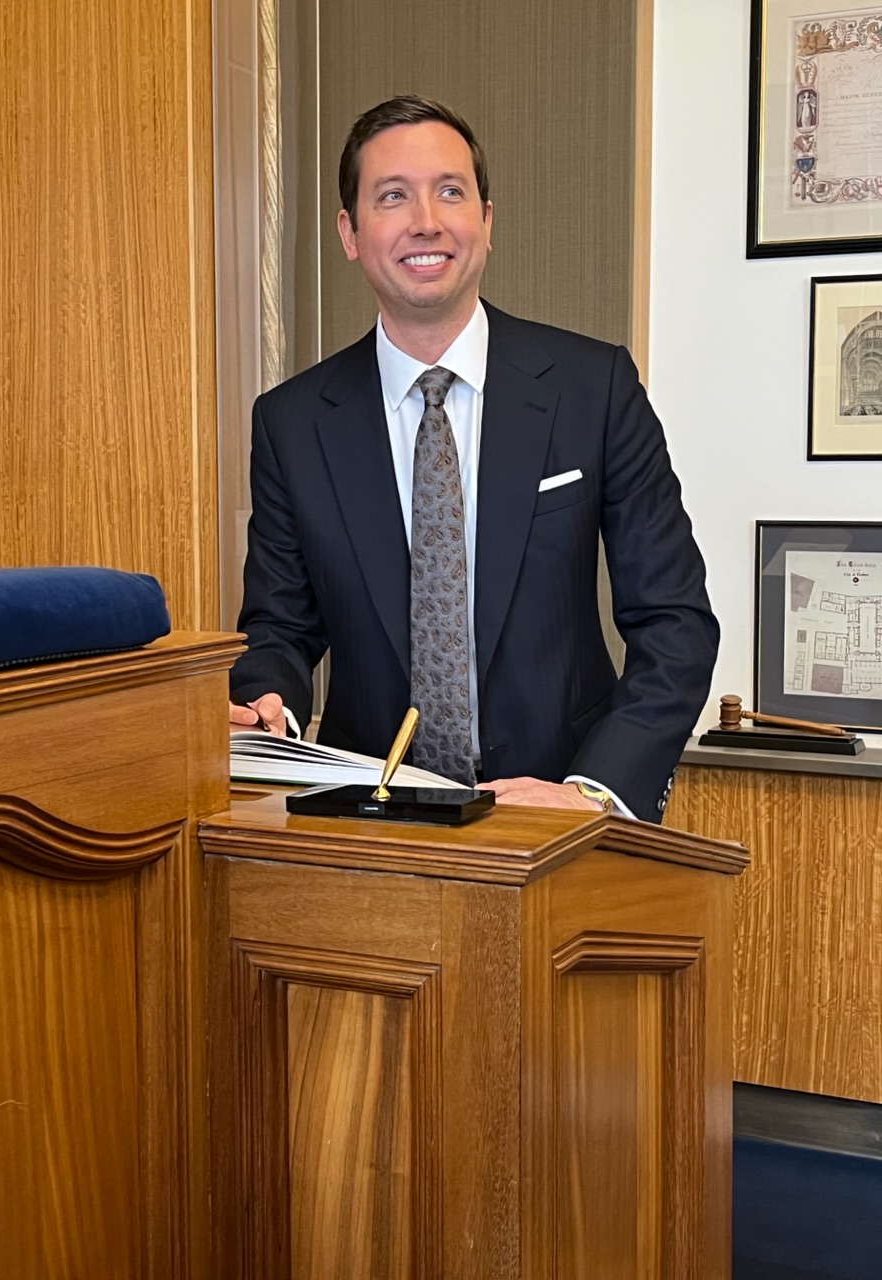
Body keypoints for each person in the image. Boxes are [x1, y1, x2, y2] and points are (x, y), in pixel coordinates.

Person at [229, 95, 719, 824]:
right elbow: (281, 629)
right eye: (393, 196)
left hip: (560, 814)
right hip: (375, 821)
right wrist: (271, 706)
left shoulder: (594, 388)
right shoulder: (293, 423)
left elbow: (675, 621)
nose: (426, 219)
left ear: (486, 222)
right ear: (351, 233)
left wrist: (591, 792)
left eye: (450, 191)